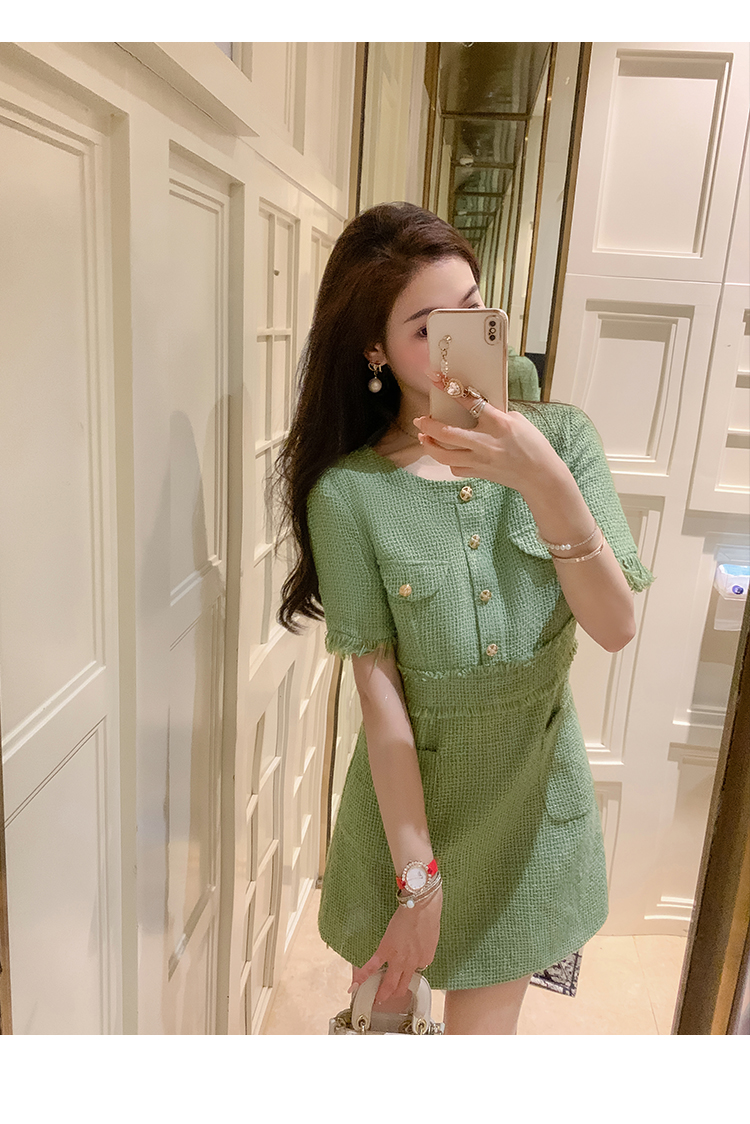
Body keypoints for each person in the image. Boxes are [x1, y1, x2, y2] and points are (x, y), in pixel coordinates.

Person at [274, 201, 654, 1035]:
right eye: (427, 328)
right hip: (408, 822)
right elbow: (378, 695)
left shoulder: (562, 440)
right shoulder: (351, 493)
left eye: (473, 309)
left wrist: (543, 479)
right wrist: (418, 883)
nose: (461, 339)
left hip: (531, 812)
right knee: (388, 1039)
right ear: (375, 349)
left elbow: (617, 625)